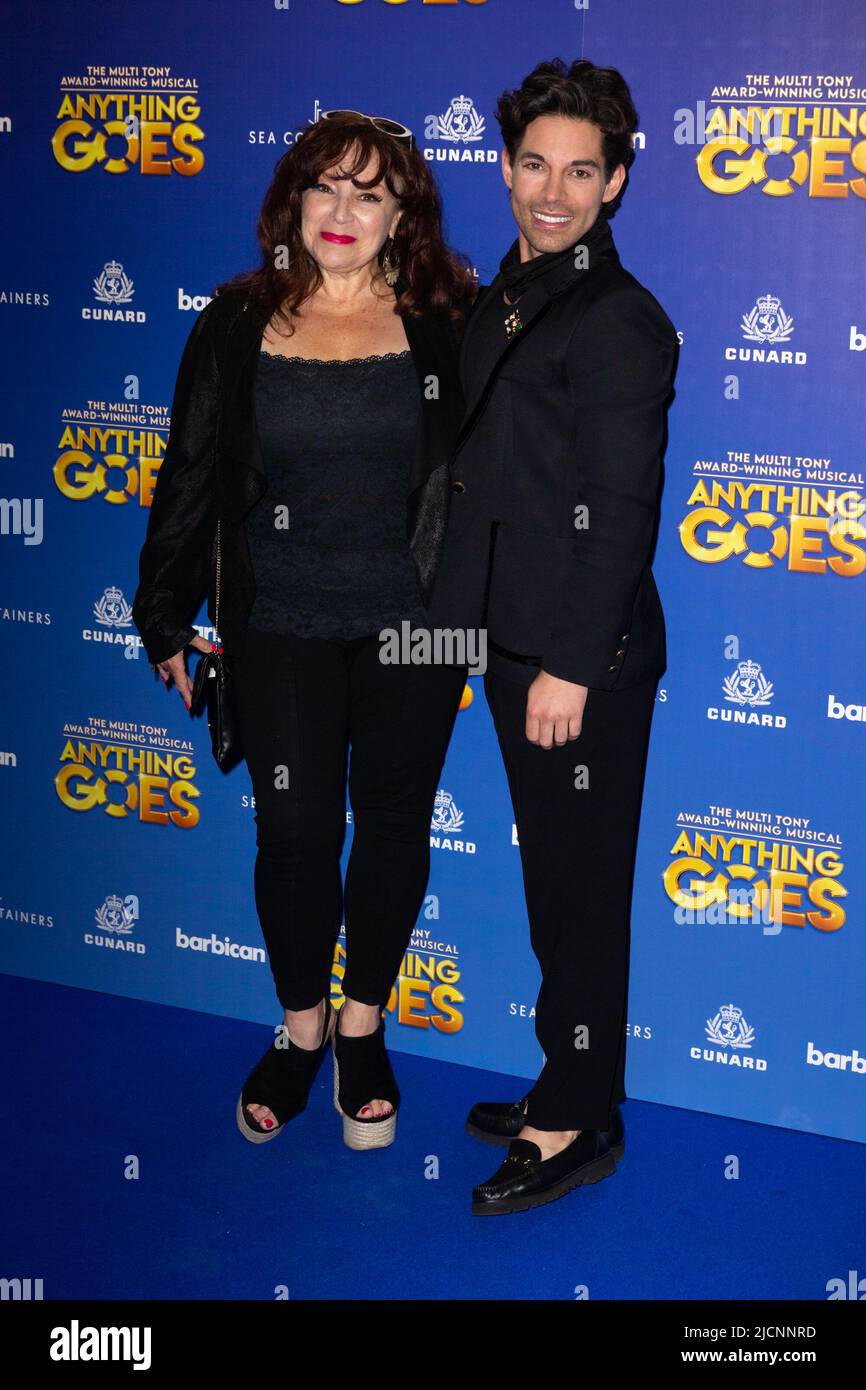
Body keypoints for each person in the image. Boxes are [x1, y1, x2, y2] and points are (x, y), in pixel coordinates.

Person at [132, 110, 474, 1151]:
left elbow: (502, 476)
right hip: (276, 621)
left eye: (369, 193)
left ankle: (363, 1026)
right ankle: (300, 1031)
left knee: (393, 822)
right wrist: (162, 616)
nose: (342, 211)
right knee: (292, 834)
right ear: (292, 199)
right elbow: (189, 470)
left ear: (401, 213)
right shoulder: (234, 319)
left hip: (416, 630)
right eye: (325, 186)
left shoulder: (448, 319)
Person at [426, 59, 679, 1213]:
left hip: (580, 657)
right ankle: (565, 1076)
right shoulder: (514, 288)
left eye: (582, 170)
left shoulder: (616, 319)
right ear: (506, 163)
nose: (552, 190)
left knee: (579, 890)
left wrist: (569, 662)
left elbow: (622, 509)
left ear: (617, 181)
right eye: (534, 163)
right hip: (512, 639)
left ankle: (577, 1119)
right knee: (553, 884)